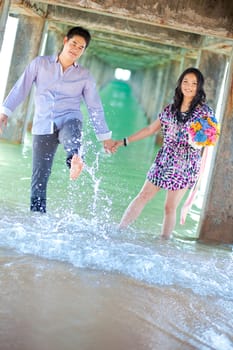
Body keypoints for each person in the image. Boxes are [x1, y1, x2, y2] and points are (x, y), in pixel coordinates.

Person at [0, 26, 116, 213]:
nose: (76, 49)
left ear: (84, 51)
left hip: (69, 118)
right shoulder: (40, 64)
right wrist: (4, 113)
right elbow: (21, 88)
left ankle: (75, 160)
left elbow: (94, 107)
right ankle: (37, 216)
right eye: (73, 44)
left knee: (73, 136)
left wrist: (105, 137)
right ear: (65, 41)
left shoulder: (84, 75)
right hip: (43, 124)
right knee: (40, 175)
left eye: (81, 47)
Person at [114, 67, 215, 239]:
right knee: (143, 195)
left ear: (199, 87)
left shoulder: (204, 112)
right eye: (185, 82)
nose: (189, 86)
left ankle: (164, 244)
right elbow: (150, 129)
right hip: (164, 159)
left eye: (194, 83)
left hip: (186, 163)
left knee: (169, 207)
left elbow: (210, 139)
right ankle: (119, 231)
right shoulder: (170, 109)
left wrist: (197, 141)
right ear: (180, 84)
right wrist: (124, 141)